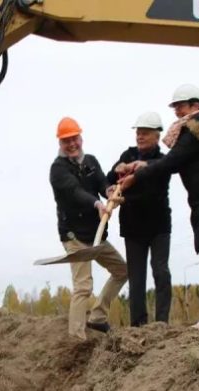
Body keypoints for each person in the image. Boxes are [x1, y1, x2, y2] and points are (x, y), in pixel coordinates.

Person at [118, 84, 199, 332]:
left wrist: (137, 175)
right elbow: (171, 161)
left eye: (181, 106)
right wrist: (143, 166)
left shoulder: (196, 131)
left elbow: (171, 163)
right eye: (175, 107)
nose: (177, 112)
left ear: (196, 106)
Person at [49, 116, 129, 340]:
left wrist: (110, 191)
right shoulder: (58, 170)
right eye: (66, 141)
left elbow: (101, 183)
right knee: (83, 286)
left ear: (80, 137)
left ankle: (98, 317)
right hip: (74, 236)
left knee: (123, 271)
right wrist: (97, 204)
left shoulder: (91, 161)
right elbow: (75, 191)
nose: (72, 144)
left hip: (96, 235)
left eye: (74, 138)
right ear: (60, 144)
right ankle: (76, 339)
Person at [105, 111, 172, 327]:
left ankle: (162, 322)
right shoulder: (128, 154)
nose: (140, 137)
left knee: (160, 271)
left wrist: (128, 192)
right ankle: (138, 324)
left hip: (158, 225)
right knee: (136, 277)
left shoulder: (162, 162)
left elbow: (155, 192)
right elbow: (109, 178)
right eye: (138, 133)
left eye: (144, 133)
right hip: (133, 227)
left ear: (157, 136)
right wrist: (116, 176)